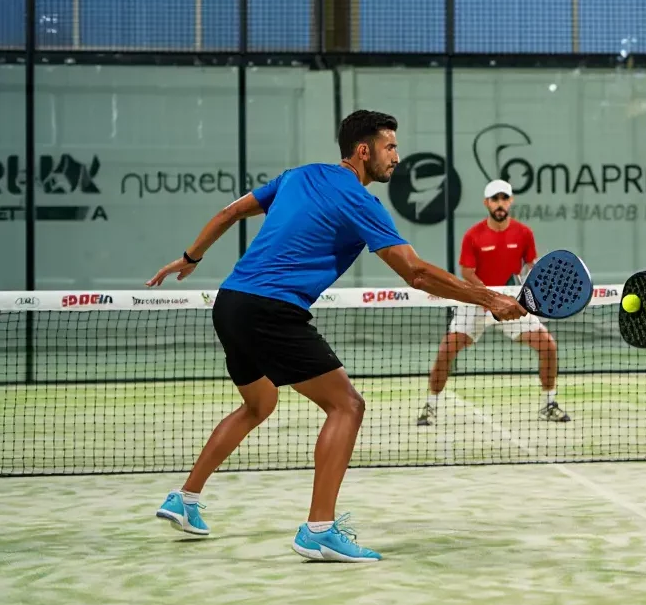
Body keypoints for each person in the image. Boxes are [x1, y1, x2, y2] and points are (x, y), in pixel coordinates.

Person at [146, 110, 525, 562]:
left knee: (259, 404)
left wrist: (191, 256)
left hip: (230, 303)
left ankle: (184, 499)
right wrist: (490, 300)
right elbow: (417, 274)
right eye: (390, 148)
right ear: (363, 151)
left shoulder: (297, 176)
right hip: (272, 309)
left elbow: (230, 213)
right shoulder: (361, 202)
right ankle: (318, 530)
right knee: (347, 405)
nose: (397, 158)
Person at [417, 179, 570, 426]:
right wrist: (488, 298)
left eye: (504, 198)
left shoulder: (524, 233)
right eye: (494, 199)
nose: (500, 204)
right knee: (446, 350)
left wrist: (532, 289)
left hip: (512, 302)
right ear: (486, 203)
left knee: (548, 347)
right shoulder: (473, 235)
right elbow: (467, 272)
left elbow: (531, 266)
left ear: (510, 201)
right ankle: (430, 407)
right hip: (476, 302)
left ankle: (549, 404)